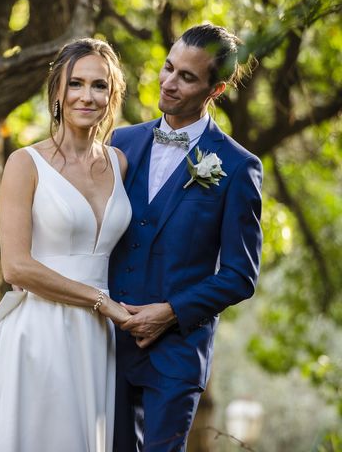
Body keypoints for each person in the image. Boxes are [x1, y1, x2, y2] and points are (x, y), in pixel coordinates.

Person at [0, 37, 132, 452]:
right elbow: (15, 267)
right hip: (42, 330)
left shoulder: (120, 163)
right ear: (56, 92)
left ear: (113, 94)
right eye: (76, 84)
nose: (87, 96)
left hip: (100, 337)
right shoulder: (25, 163)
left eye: (99, 85)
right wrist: (102, 303)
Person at [109, 23, 263, 451]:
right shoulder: (119, 143)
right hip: (107, 344)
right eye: (168, 68)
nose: (169, 84)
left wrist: (171, 312)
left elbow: (239, 275)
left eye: (187, 77)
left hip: (176, 355)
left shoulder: (237, 166)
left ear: (216, 90)